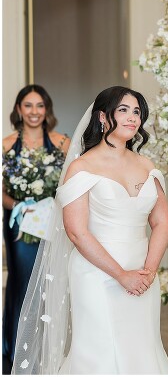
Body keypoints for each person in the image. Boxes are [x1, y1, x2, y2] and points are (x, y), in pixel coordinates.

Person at [12, 86, 168, 374]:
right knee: (100, 349)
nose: (131, 117)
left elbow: (162, 222)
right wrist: (122, 275)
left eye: (136, 111)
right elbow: (77, 232)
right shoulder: (82, 167)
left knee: (141, 346)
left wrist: (148, 272)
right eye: (123, 110)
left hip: (143, 273)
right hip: (97, 273)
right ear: (103, 116)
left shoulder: (147, 165)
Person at [2, 86, 69, 374]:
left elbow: (70, 185)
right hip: (19, 223)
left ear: (47, 109)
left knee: (49, 282)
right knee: (22, 282)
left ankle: (45, 348)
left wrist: (51, 206)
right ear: (18, 110)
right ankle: (16, 347)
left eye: (39, 105)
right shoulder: (5, 145)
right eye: (27, 105)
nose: (33, 111)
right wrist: (20, 204)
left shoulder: (62, 143)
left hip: (51, 223)